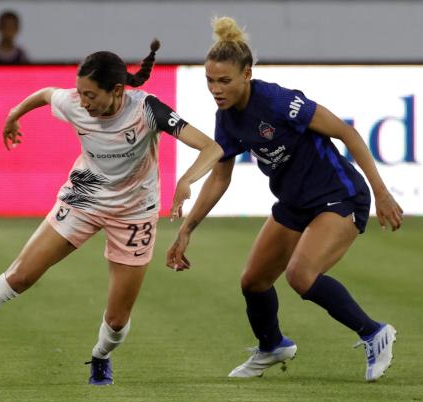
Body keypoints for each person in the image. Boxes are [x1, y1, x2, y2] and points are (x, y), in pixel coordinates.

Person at [0, 40, 223, 386]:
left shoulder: (147, 110)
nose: (83, 101)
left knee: (118, 319)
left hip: (134, 214)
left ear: (117, 90)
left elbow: (211, 147)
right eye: (80, 93)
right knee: (19, 276)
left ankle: (101, 356)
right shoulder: (74, 103)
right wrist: (13, 115)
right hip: (83, 200)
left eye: (91, 95)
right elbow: (46, 94)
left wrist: (186, 179)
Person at [166, 17, 403, 382]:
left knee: (300, 275)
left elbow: (347, 133)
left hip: (339, 196)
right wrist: (187, 229)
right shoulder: (226, 117)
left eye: (224, 80)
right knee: (254, 281)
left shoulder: (279, 102)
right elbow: (220, 177)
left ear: (246, 74)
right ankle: (272, 346)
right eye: (210, 81)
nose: (216, 88)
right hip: (294, 202)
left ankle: (374, 333)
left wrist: (383, 192)